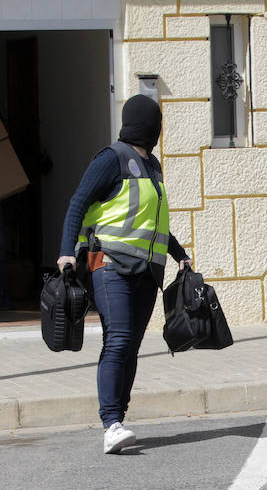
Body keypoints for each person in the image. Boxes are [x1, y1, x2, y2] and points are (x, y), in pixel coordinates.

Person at [57, 94, 192, 455]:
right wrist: (67, 252)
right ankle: (111, 423)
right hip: (110, 265)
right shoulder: (111, 158)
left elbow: (151, 223)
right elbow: (77, 202)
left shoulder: (153, 167)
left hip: (147, 271)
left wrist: (179, 255)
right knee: (117, 339)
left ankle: (119, 417)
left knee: (130, 344)